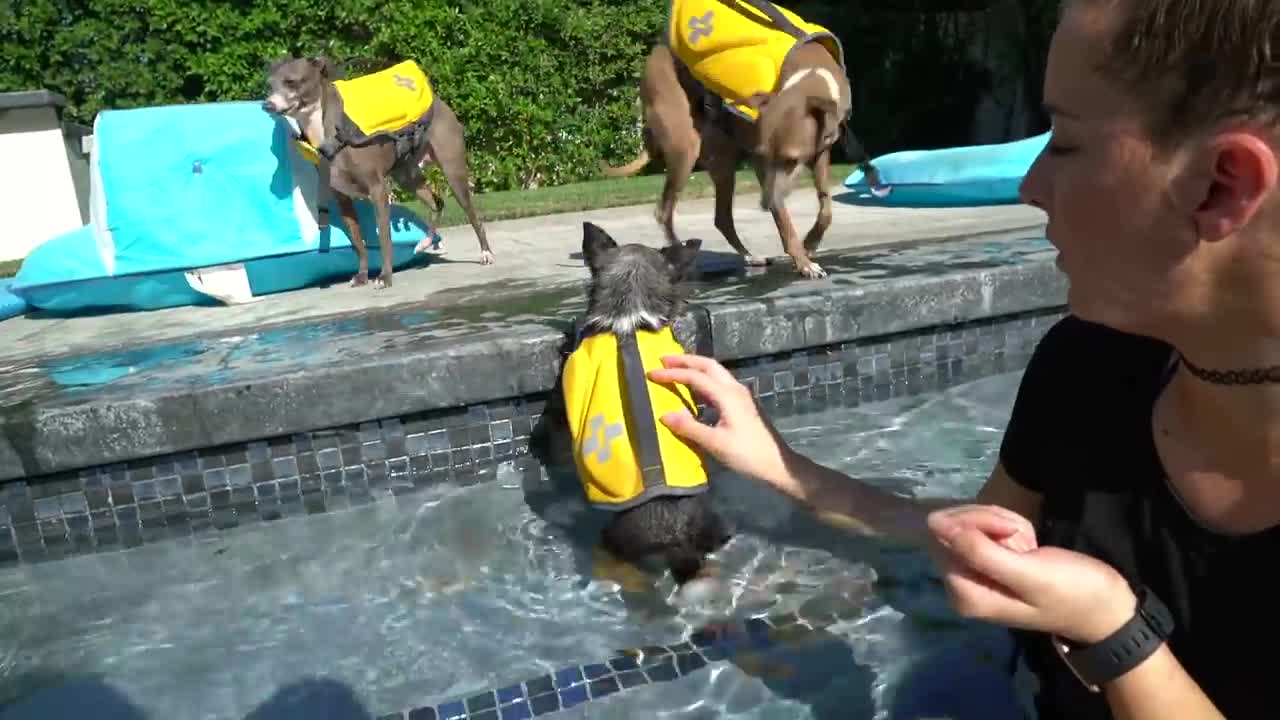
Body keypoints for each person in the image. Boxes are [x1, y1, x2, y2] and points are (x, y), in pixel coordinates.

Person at [646, 1, 1280, 718]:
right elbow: (978, 531)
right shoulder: (1092, 365)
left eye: (1065, 142)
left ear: (1222, 184)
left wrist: (1116, 631)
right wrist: (783, 468)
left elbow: (1103, 619)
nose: (1029, 185)